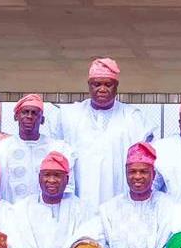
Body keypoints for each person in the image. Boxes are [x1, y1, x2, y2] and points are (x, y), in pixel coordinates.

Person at [55, 58, 157, 204]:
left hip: (121, 201)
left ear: (116, 86)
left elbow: (148, 159)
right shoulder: (69, 115)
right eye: (97, 84)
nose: (102, 89)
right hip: (79, 202)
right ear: (89, 85)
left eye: (108, 84)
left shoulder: (133, 117)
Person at [96, 143, 179, 248]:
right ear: (126, 174)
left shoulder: (169, 206)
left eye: (144, 172)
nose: (138, 176)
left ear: (153, 175)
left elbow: (174, 244)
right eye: (132, 172)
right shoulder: (109, 207)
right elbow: (99, 241)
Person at [7, 152, 95, 248]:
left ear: (67, 180)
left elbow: (85, 246)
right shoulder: (21, 209)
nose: (52, 180)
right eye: (47, 175)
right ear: (39, 178)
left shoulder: (81, 209)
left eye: (57, 175)